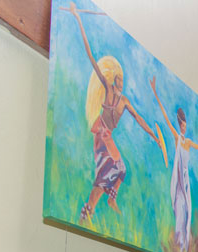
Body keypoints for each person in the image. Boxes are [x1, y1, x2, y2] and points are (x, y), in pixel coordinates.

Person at [68, 2, 161, 222]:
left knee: (121, 170)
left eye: (122, 79)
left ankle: (109, 201)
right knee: (108, 170)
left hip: (108, 136)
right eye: (119, 78)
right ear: (115, 78)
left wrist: (154, 136)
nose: (121, 81)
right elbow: (92, 58)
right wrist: (78, 18)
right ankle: (88, 211)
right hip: (102, 135)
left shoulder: (124, 100)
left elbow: (138, 119)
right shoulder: (109, 90)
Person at [150, 77, 198, 252]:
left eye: (185, 125)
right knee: (179, 213)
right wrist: (155, 92)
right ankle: (179, 247)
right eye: (182, 125)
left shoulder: (188, 142)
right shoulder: (178, 138)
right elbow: (165, 117)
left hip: (185, 183)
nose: (184, 128)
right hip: (178, 182)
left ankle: (185, 248)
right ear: (180, 124)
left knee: (187, 215)